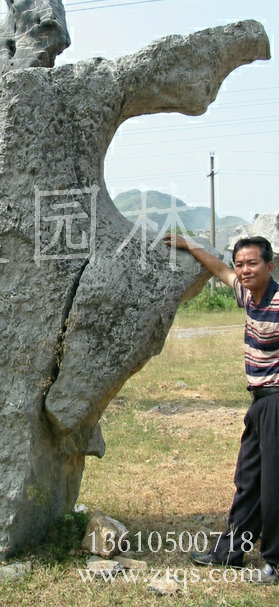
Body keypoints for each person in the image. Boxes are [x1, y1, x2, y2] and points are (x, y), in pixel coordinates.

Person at [162, 233, 279, 585]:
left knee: (274, 486)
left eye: (252, 263)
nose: (244, 270)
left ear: (269, 266)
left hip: (277, 401)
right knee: (248, 480)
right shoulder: (249, 295)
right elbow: (220, 271)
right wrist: (189, 246)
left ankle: (274, 563)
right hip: (259, 403)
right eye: (241, 263)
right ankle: (231, 551)